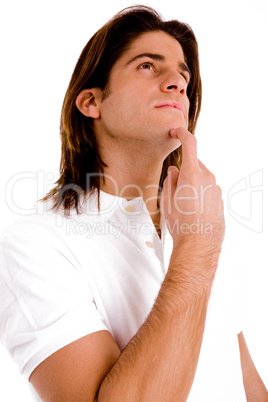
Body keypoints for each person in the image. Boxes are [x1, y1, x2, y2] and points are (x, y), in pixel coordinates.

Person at [0, 5, 267, 401]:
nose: (177, 81)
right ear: (92, 102)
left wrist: (200, 239)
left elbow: (245, 384)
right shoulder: (34, 243)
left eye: (184, 75)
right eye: (147, 66)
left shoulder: (201, 219)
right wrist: (197, 247)